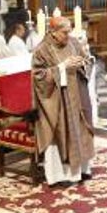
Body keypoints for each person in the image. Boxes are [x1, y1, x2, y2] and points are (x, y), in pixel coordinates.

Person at [32, 14, 95, 185]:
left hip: (77, 95)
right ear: (53, 32)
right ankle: (61, 175)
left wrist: (81, 63)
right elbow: (38, 76)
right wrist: (62, 68)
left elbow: (86, 60)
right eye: (64, 33)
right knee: (61, 132)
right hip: (57, 99)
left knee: (81, 130)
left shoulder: (73, 42)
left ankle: (82, 170)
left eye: (69, 32)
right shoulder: (42, 50)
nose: (68, 36)